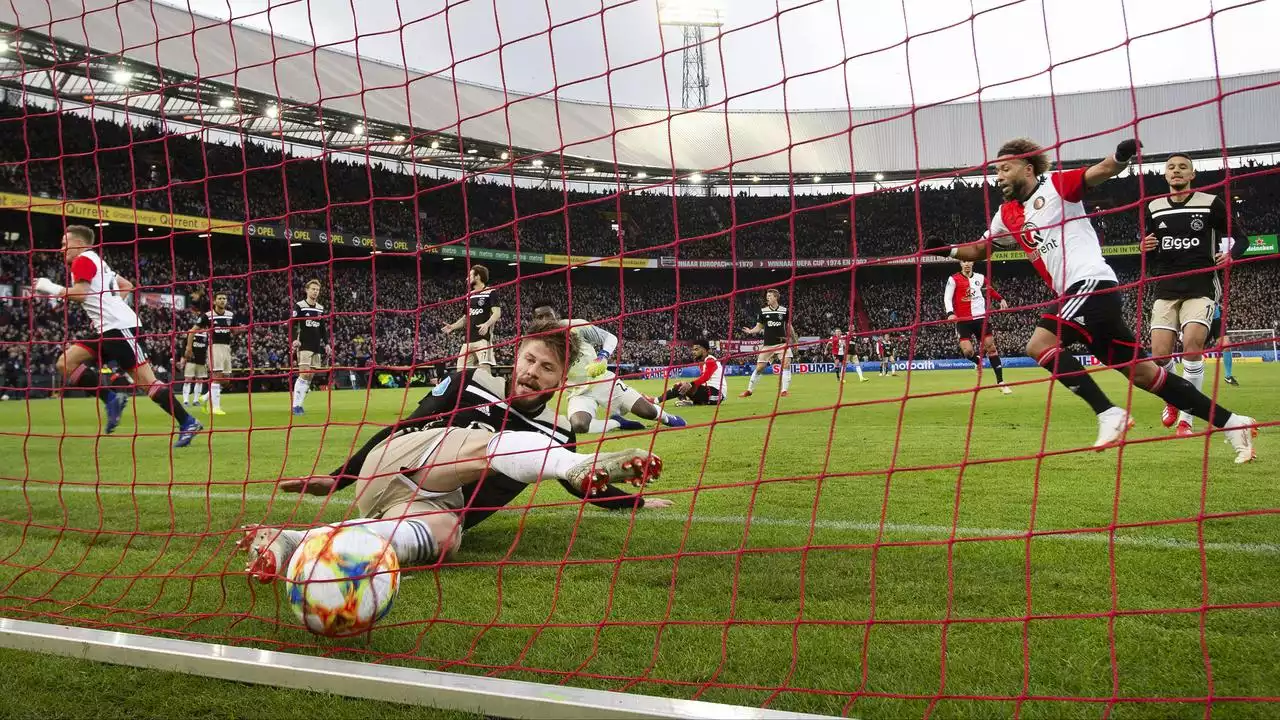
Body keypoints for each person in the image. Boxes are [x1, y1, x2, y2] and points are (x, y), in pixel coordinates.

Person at [241, 318, 668, 580]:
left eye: (547, 368)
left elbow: (581, 488)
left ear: (560, 381)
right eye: (529, 360)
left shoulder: (556, 430)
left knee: (447, 538)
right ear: (515, 357)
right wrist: (339, 477)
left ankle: (289, 542)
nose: (532, 373)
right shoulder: (471, 383)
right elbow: (403, 426)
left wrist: (635, 503)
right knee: (491, 449)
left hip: (433, 504)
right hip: (396, 466)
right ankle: (573, 464)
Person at [931, 137, 1256, 462]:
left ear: (1027, 168)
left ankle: (1108, 412)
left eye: (1005, 168)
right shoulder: (1005, 215)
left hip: (1089, 282)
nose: (998, 176)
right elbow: (978, 250)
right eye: (995, 171)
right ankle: (1232, 423)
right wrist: (946, 250)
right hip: (1088, 298)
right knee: (1144, 375)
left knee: (1038, 345)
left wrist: (1121, 156)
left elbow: (1101, 170)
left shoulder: (1056, 186)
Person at [31, 225, 201, 447]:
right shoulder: (99, 262)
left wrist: (50, 287)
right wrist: (109, 306)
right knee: (66, 362)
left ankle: (188, 421)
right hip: (107, 328)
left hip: (120, 328)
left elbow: (81, 295)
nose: (61, 248)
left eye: (65, 244)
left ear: (80, 244)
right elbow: (126, 285)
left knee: (148, 384)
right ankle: (112, 398)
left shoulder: (83, 260)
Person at [1141, 152, 1250, 435]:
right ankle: (1173, 397)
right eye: (1171, 167)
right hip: (1165, 286)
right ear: (1165, 175)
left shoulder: (1211, 203)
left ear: (1192, 175)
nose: (1176, 171)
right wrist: (1144, 247)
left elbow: (1242, 239)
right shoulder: (1153, 207)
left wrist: (1230, 255)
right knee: (1159, 355)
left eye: (1183, 167)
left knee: (1192, 347)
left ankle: (1186, 419)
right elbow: (1151, 249)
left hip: (1201, 285)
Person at [529, 306, 684, 433]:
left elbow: (610, 338)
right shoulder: (538, 345)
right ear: (535, 321)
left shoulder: (576, 327)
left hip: (604, 381)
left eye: (548, 315)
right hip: (578, 392)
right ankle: (616, 423)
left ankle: (667, 418)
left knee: (648, 412)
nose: (545, 320)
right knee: (579, 426)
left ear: (555, 316)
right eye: (540, 317)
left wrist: (602, 357)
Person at [944, 260, 1012, 394]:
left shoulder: (980, 278)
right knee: (967, 352)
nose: (967, 264)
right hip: (963, 320)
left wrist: (1001, 299)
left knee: (991, 348)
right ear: (960, 264)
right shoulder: (953, 279)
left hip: (981, 319)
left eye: (969, 261)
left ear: (973, 263)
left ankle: (1001, 382)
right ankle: (977, 360)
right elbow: (947, 297)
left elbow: (990, 290)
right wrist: (950, 313)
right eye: (964, 262)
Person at [442, 265, 500, 374]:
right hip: (468, 341)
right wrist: (453, 326)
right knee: (461, 373)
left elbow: (497, 313)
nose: (467, 278)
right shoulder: (469, 295)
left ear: (477, 276)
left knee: (484, 371)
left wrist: (486, 325)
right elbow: (465, 318)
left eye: (470, 275)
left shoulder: (491, 292)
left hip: (482, 339)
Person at [187, 291, 236, 416]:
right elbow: (192, 331)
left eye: (224, 298)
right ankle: (215, 407)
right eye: (219, 298)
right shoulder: (207, 316)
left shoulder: (230, 315)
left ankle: (204, 398)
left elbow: (234, 331)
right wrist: (188, 347)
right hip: (214, 347)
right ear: (214, 301)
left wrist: (243, 329)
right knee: (217, 377)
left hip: (226, 348)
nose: (222, 300)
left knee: (227, 380)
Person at [740, 289, 795, 397]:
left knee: (786, 364)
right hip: (768, 344)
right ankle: (749, 390)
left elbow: (789, 326)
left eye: (769, 296)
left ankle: (784, 391)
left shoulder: (784, 311)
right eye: (767, 296)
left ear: (776, 297)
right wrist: (751, 331)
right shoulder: (763, 311)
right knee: (760, 367)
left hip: (782, 343)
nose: (767, 298)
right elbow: (759, 327)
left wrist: (794, 339)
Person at [290, 279, 330, 415]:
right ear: (307, 290)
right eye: (313, 289)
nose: (315, 292)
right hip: (304, 344)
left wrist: (327, 343)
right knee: (304, 374)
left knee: (310, 376)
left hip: (316, 345)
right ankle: (295, 406)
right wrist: (295, 339)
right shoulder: (300, 306)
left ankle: (299, 405)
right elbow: (293, 324)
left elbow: (323, 328)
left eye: (317, 290)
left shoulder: (320, 308)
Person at [651, 339, 726, 406]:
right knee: (680, 385)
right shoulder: (702, 362)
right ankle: (687, 402)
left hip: (716, 393)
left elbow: (706, 377)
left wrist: (690, 384)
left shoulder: (710, 360)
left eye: (696, 349)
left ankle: (655, 400)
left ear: (704, 350)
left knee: (681, 386)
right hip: (710, 392)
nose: (693, 352)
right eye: (693, 350)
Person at [181, 317, 208, 407]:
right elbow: (184, 346)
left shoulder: (206, 334)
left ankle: (196, 400)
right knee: (188, 379)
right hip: (191, 360)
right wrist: (183, 358)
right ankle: (185, 400)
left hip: (201, 360)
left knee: (200, 380)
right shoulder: (191, 333)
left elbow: (207, 347)